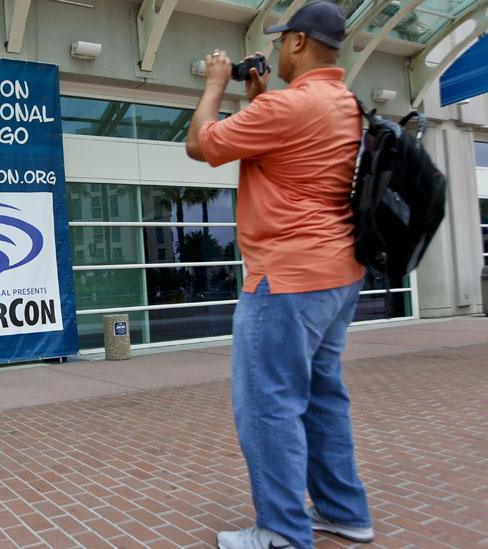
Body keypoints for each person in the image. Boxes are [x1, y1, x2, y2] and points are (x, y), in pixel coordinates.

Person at [185, 3, 373, 548]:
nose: (272, 51)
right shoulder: (343, 102)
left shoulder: (292, 105)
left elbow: (201, 144)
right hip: (337, 274)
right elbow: (293, 155)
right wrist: (258, 99)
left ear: (296, 42)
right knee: (321, 399)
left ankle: (282, 532)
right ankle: (344, 512)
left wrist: (216, 83)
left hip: (285, 278)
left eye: (279, 39)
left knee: (269, 405)